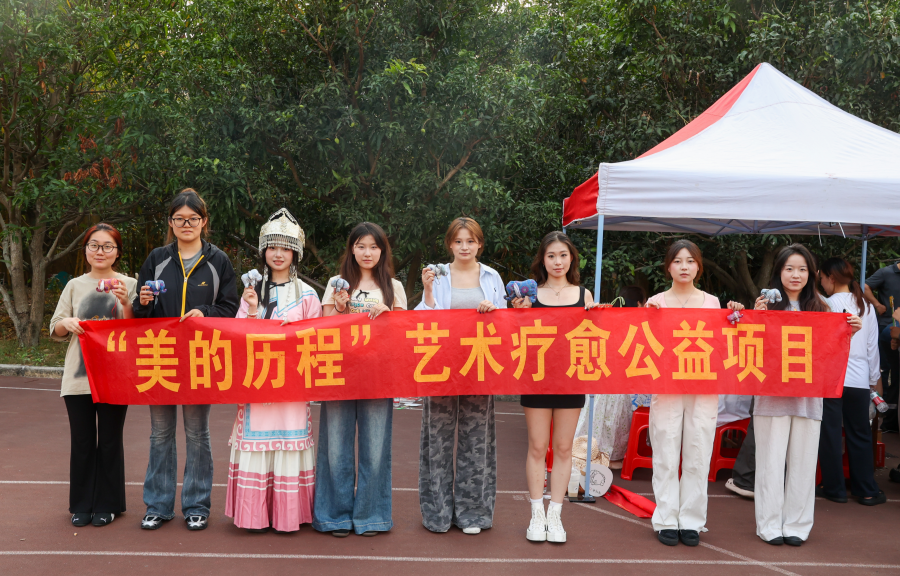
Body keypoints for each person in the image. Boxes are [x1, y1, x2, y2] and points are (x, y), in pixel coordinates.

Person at [132, 189, 240, 531]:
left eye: (193, 218)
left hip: (200, 357)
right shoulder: (157, 259)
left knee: (197, 433)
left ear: (203, 221)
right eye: (179, 219)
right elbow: (139, 311)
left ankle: (197, 506)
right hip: (161, 356)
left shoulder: (218, 260)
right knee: (160, 434)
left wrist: (204, 312)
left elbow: (230, 307)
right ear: (171, 222)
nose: (186, 224)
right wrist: (143, 302)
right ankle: (158, 505)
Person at [751, 245, 862, 546]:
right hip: (770, 398)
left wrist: (850, 330)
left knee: (803, 464)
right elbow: (750, 346)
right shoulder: (765, 305)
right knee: (770, 464)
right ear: (779, 272)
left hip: (809, 399)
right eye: (789, 268)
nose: (795, 275)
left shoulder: (822, 308)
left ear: (811, 274)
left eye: (802, 269)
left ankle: (797, 526)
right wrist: (754, 316)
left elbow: (830, 351)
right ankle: (769, 525)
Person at [225, 208, 322, 533]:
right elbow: (238, 336)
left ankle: (288, 515)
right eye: (272, 247)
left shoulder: (308, 294)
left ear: (295, 253)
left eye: (285, 248)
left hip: (291, 386)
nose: (278, 254)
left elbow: (317, 340)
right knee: (257, 441)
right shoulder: (252, 291)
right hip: (258, 383)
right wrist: (252, 310)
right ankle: (253, 516)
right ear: (263, 250)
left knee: (289, 440)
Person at [645, 239, 743, 547]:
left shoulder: (713, 303)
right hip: (667, 387)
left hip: (703, 387)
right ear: (668, 267)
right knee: (665, 451)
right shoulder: (655, 302)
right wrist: (647, 316)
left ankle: (691, 520)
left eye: (690, 261)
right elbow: (644, 343)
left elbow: (725, 342)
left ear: (698, 267)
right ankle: (666, 519)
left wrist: (735, 317)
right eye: (677, 261)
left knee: (698, 452)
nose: (684, 267)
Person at [313, 222, 407, 537]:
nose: (368, 253)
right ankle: (334, 516)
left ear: (382, 251)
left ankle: (371, 516)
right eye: (361, 246)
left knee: (375, 448)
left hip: (378, 378)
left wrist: (389, 315)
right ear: (352, 249)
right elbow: (323, 329)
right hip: (338, 375)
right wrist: (340, 309)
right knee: (335, 448)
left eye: (374, 247)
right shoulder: (336, 283)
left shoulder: (394, 287)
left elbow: (404, 336)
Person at [417, 217, 507, 535]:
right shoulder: (437, 274)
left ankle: (474, 513)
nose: (465, 247)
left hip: (479, 367)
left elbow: (506, 322)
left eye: (471, 241)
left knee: (477, 441)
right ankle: (437, 514)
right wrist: (428, 290)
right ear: (450, 244)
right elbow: (421, 322)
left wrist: (493, 311)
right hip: (441, 367)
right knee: (436, 441)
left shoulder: (492, 277)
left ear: (480, 244)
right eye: (458, 241)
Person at [512, 231, 598, 543]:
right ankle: (536, 513)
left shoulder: (584, 294)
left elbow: (594, 334)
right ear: (542, 260)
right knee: (537, 447)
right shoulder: (529, 295)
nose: (557, 262)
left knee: (563, 448)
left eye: (563, 255)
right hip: (536, 378)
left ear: (571, 258)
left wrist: (600, 316)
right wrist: (518, 313)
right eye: (551, 256)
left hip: (571, 378)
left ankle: (555, 515)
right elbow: (514, 334)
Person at [49, 224, 138, 528]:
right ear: (86, 250)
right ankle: (82, 504)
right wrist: (69, 322)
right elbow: (56, 327)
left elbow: (136, 330)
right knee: (83, 441)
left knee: (110, 441)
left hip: (115, 376)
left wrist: (125, 302)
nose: (100, 252)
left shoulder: (129, 284)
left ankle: (108, 504)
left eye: (107, 246)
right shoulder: (74, 285)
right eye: (94, 245)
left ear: (118, 252)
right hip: (78, 376)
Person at [818, 257, 886, 506]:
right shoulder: (865, 305)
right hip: (858, 378)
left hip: (831, 377)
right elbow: (872, 348)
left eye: (822, 278)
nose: (821, 283)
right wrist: (873, 381)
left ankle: (834, 488)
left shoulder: (824, 303)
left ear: (831, 277)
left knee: (830, 434)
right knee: (860, 434)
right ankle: (866, 490)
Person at [573, 285, 647, 471]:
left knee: (595, 417)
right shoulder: (638, 325)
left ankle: (584, 454)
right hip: (619, 383)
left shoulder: (606, 318)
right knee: (616, 418)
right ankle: (610, 458)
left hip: (598, 380)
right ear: (639, 304)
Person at [863, 262, 900, 436]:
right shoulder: (887, 272)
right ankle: (884, 415)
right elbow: (865, 286)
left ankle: (890, 419)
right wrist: (877, 305)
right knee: (886, 372)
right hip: (887, 328)